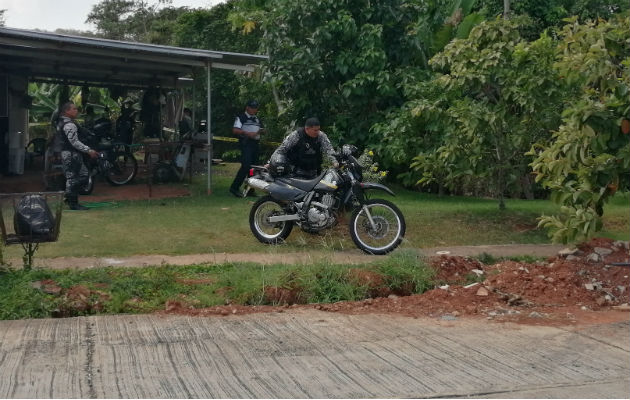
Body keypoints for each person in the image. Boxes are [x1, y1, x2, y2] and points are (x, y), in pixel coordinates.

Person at [55, 101, 98, 210]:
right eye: (73, 109)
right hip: (71, 153)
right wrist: (88, 150)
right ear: (67, 111)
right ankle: (71, 199)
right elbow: (74, 142)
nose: (76, 110)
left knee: (72, 177)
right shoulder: (69, 124)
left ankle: (70, 197)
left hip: (67, 153)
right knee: (82, 176)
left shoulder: (61, 122)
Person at [269, 117, 337, 179]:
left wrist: (335, 162)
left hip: (314, 172)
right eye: (315, 130)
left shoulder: (321, 136)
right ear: (307, 128)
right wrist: (272, 163)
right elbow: (281, 150)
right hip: (296, 173)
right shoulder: (296, 135)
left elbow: (329, 150)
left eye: (318, 129)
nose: (317, 132)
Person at [229, 100, 265, 198]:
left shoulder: (257, 119)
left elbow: (262, 129)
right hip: (246, 143)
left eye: (256, 108)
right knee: (246, 166)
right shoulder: (241, 117)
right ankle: (234, 187)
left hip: (255, 144)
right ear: (247, 107)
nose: (254, 110)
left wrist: (261, 131)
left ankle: (250, 189)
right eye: (252, 107)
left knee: (253, 168)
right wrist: (247, 133)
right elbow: (235, 130)